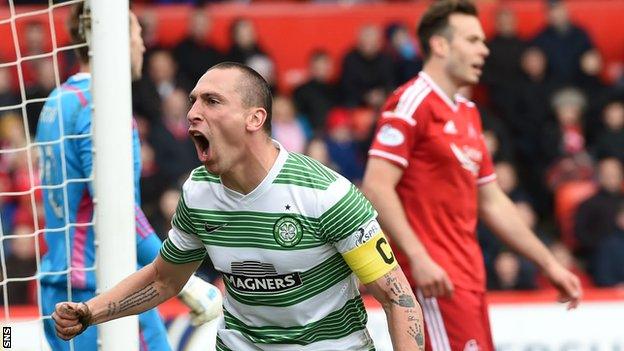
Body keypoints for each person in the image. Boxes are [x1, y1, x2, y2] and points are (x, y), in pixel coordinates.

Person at [51, 62, 426, 351]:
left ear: (255, 118)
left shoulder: (326, 195)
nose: (193, 112)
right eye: (193, 101)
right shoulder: (198, 192)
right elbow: (165, 279)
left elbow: (398, 298)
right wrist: (90, 313)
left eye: (212, 101)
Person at [361, 1, 582, 350]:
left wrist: (548, 263)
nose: (485, 48)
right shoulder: (412, 101)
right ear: (440, 45)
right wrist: (419, 257)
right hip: (435, 281)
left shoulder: (469, 113)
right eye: (473, 40)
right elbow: (375, 186)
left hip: (470, 279)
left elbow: (492, 200)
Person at [36, 6, 221, 351]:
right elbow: (120, 212)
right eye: (137, 36)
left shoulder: (57, 101)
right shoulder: (103, 107)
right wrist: (185, 282)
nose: (143, 46)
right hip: (104, 292)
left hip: (56, 285)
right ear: (115, 40)